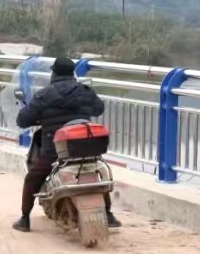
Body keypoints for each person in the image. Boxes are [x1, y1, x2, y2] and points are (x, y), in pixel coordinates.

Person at [13, 57, 121, 233]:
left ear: (54, 73)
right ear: (72, 73)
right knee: (97, 171)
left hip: (55, 151)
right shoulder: (85, 91)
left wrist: (42, 116)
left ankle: (24, 219)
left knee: (33, 177)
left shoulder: (44, 95)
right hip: (86, 148)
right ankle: (108, 215)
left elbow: (22, 120)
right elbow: (99, 109)